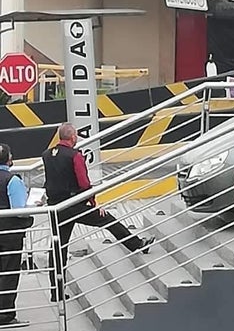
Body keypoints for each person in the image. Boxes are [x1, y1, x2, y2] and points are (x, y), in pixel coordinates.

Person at [43, 123, 155, 302]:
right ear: (73, 137)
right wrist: (94, 204)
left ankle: (55, 292)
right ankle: (137, 244)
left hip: (55, 207)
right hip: (73, 205)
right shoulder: (75, 156)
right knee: (107, 219)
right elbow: (84, 183)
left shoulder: (47, 155)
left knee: (58, 247)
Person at [0, 144, 31, 328]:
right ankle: (5, 314)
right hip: (9, 234)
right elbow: (20, 211)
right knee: (9, 272)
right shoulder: (12, 180)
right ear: (8, 159)